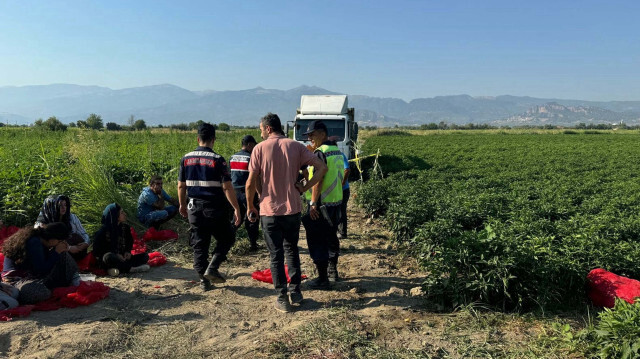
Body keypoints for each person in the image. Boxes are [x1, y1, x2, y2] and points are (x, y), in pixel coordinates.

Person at [246, 113, 327, 312]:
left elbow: (250, 181)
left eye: (261, 130)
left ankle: (282, 297)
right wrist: (305, 187)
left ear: (268, 128)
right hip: (292, 209)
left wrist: (251, 205)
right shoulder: (296, 146)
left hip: (269, 210)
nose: (261, 133)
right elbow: (321, 167)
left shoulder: (259, 148)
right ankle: (296, 291)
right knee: (292, 250)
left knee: (276, 255)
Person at [178, 123, 242, 291]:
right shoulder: (218, 160)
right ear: (213, 139)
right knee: (227, 237)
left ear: (198, 139)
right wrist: (236, 208)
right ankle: (212, 267)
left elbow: (181, 186)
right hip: (214, 208)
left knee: (200, 244)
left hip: (193, 208)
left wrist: (182, 205)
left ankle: (203, 281)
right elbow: (227, 187)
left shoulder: (185, 159)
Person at [301, 121, 345, 288]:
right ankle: (333, 271)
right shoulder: (336, 151)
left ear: (321, 134)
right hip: (336, 202)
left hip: (321, 205)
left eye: (312, 135)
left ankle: (322, 278)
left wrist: (313, 203)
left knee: (317, 240)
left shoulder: (321, 153)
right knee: (331, 237)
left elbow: (319, 181)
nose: (310, 138)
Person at [1, 223, 80, 304]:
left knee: (63, 254)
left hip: (33, 276)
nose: (62, 243)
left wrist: (58, 252)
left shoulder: (41, 240)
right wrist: (56, 252)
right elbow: (41, 270)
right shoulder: (34, 242)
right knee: (41, 293)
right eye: (61, 241)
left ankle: (73, 279)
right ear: (52, 240)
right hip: (16, 281)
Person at [93, 203, 150, 276]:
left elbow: (129, 241)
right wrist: (116, 255)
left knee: (145, 256)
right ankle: (131, 269)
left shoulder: (125, 228)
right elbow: (97, 252)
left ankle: (117, 269)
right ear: (115, 216)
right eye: (122, 213)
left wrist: (127, 252)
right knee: (108, 257)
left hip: (123, 258)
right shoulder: (103, 232)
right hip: (110, 259)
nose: (124, 214)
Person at [34, 195, 90, 261]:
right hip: (55, 253)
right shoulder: (41, 224)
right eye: (60, 205)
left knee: (77, 237)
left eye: (65, 205)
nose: (64, 208)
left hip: (74, 249)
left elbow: (83, 233)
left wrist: (85, 243)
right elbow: (49, 243)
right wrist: (69, 248)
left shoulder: (71, 217)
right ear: (52, 207)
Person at [229, 135, 260, 251]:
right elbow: (255, 178)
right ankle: (253, 244)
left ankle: (229, 243)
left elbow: (228, 175)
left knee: (236, 218)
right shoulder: (251, 158)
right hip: (248, 192)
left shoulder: (232, 157)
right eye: (253, 145)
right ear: (249, 145)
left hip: (234, 192)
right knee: (252, 217)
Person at [338, 151, 351, 239]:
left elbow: (347, 169)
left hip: (343, 189)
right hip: (336, 190)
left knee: (341, 210)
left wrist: (342, 183)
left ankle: (342, 233)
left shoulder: (340, 155)